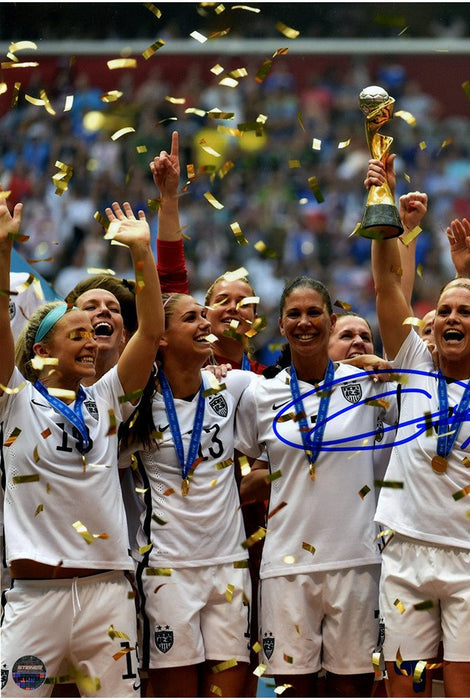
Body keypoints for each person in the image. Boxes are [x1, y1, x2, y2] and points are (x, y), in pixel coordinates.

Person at [370, 209, 470, 696]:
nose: (450, 319)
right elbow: (385, 286)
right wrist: (386, 217)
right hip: (404, 552)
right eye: (443, 311)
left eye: (464, 312)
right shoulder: (412, 364)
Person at [0, 199, 163, 697]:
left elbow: (152, 332)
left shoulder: (109, 399)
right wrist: (3, 247)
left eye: (94, 335)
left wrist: (142, 253)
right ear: (43, 350)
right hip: (34, 597)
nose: (92, 343)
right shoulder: (14, 402)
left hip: (107, 594)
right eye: (78, 335)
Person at [236, 276, 395, 697]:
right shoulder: (260, 394)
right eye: (294, 314)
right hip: (286, 567)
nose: (304, 322)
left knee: (354, 690)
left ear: (331, 319)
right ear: (282, 325)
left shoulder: (367, 385)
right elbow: (251, 468)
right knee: (293, 691)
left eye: (314, 312)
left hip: (357, 562)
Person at [119, 292, 255, 697]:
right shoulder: (135, 404)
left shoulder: (232, 386)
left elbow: (302, 385)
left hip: (229, 564)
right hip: (167, 569)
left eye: (204, 316)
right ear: (160, 337)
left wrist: (362, 364)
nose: (205, 324)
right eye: (191, 317)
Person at [150, 131, 267, 374]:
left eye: (243, 303)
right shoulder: (184, 361)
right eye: (223, 301)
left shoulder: (266, 377)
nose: (233, 307)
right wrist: (169, 198)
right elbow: (171, 275)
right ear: (204, 315)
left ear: (255, 319)